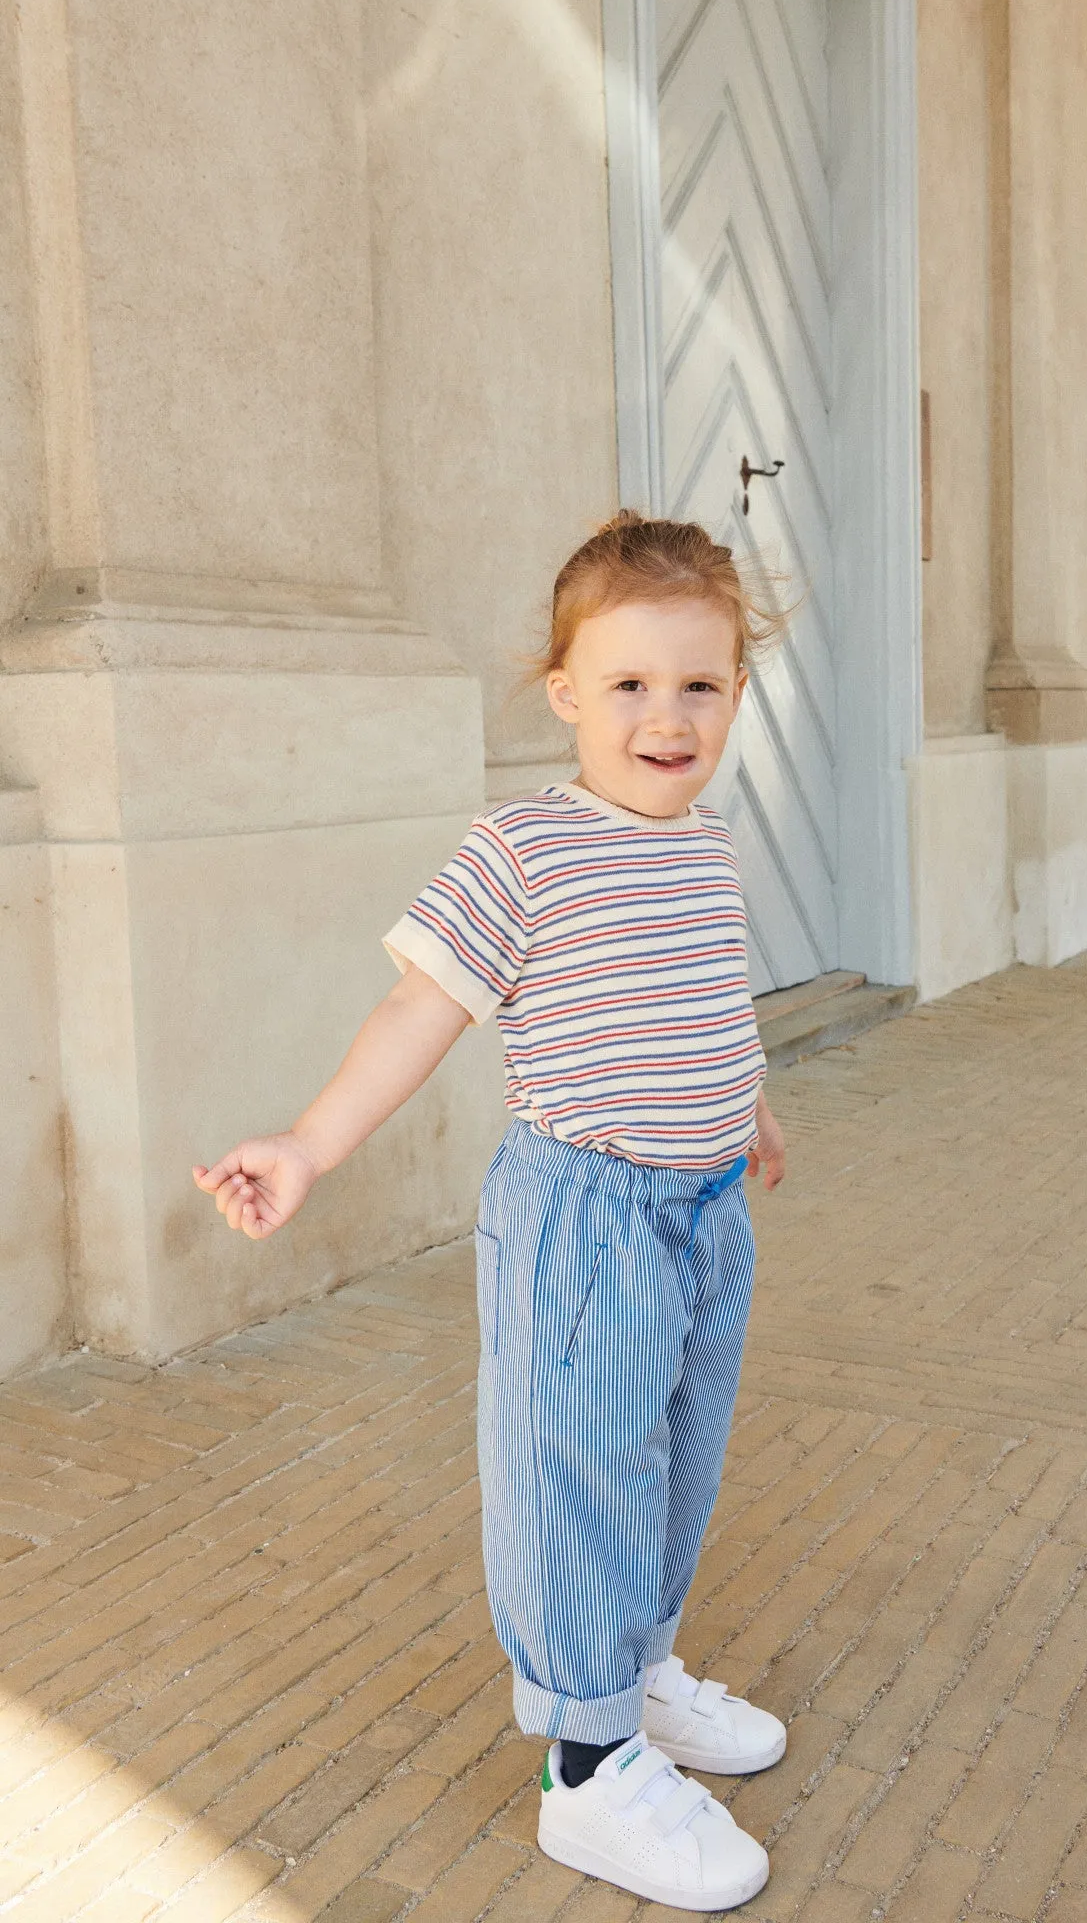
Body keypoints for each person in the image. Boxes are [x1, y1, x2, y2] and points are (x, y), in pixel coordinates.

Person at [194, 511, 789, 1910]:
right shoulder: (524, 848)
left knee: (672, 1465)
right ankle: (587, 1770)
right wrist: (308, 1144)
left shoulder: (706, 845)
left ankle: (636, 1672)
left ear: (736, 695)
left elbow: (706, 994)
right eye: (631, 684)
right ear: (565, 691)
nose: (668, 716)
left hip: (703, 1214)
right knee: (577, 1480)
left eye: (700, 684)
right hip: (584, 1225)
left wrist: (745, 1096)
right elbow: (421, 1010)